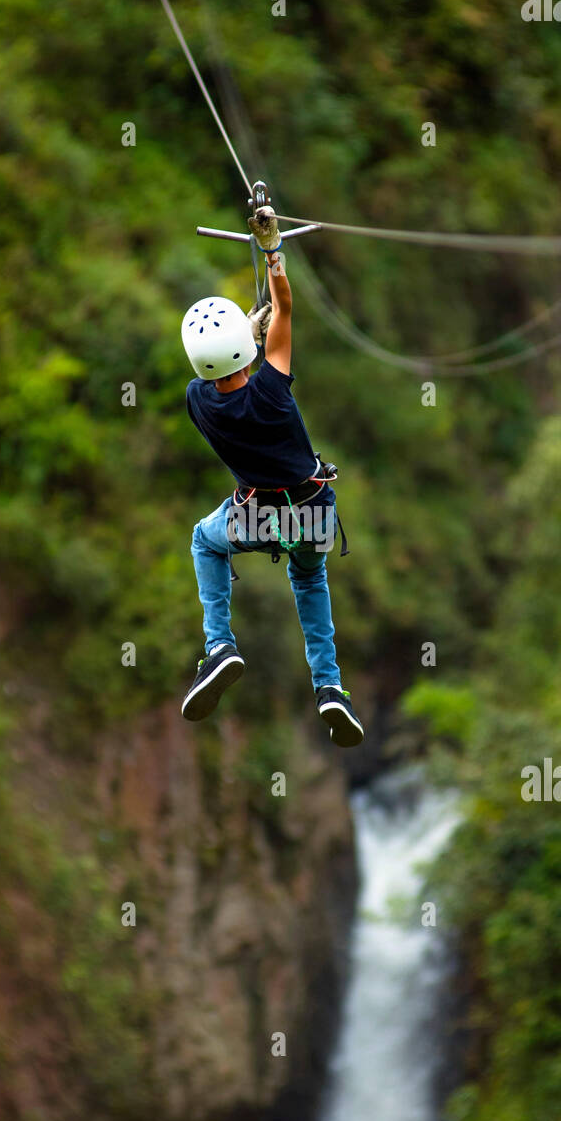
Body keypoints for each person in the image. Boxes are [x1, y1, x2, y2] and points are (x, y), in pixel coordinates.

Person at [180, 205, 364, 747]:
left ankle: (220, 647)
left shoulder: (198, 402)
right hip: (313, 514)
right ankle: (329, 687)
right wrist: (272, 250)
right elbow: (284, 306)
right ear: (247, 347)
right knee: (309, 578)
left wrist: (248, 338)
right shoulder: (273, 392)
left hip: (254, 518)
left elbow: (222, 375)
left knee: (203, 540)